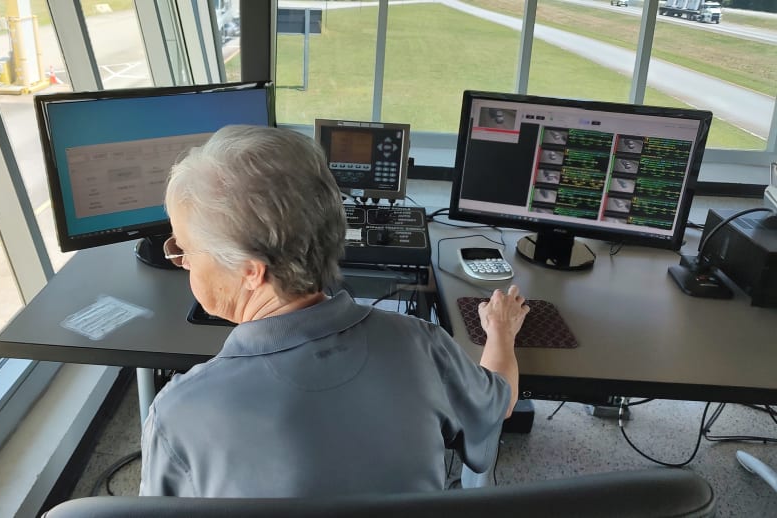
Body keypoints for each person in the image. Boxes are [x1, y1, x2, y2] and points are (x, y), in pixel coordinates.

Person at [139, 125, 529, 497]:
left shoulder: (177, 415)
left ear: (250, 271)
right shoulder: (422, 345)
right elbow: (501, 401)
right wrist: (501, 331)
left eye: (184, 248)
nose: (183, 260)